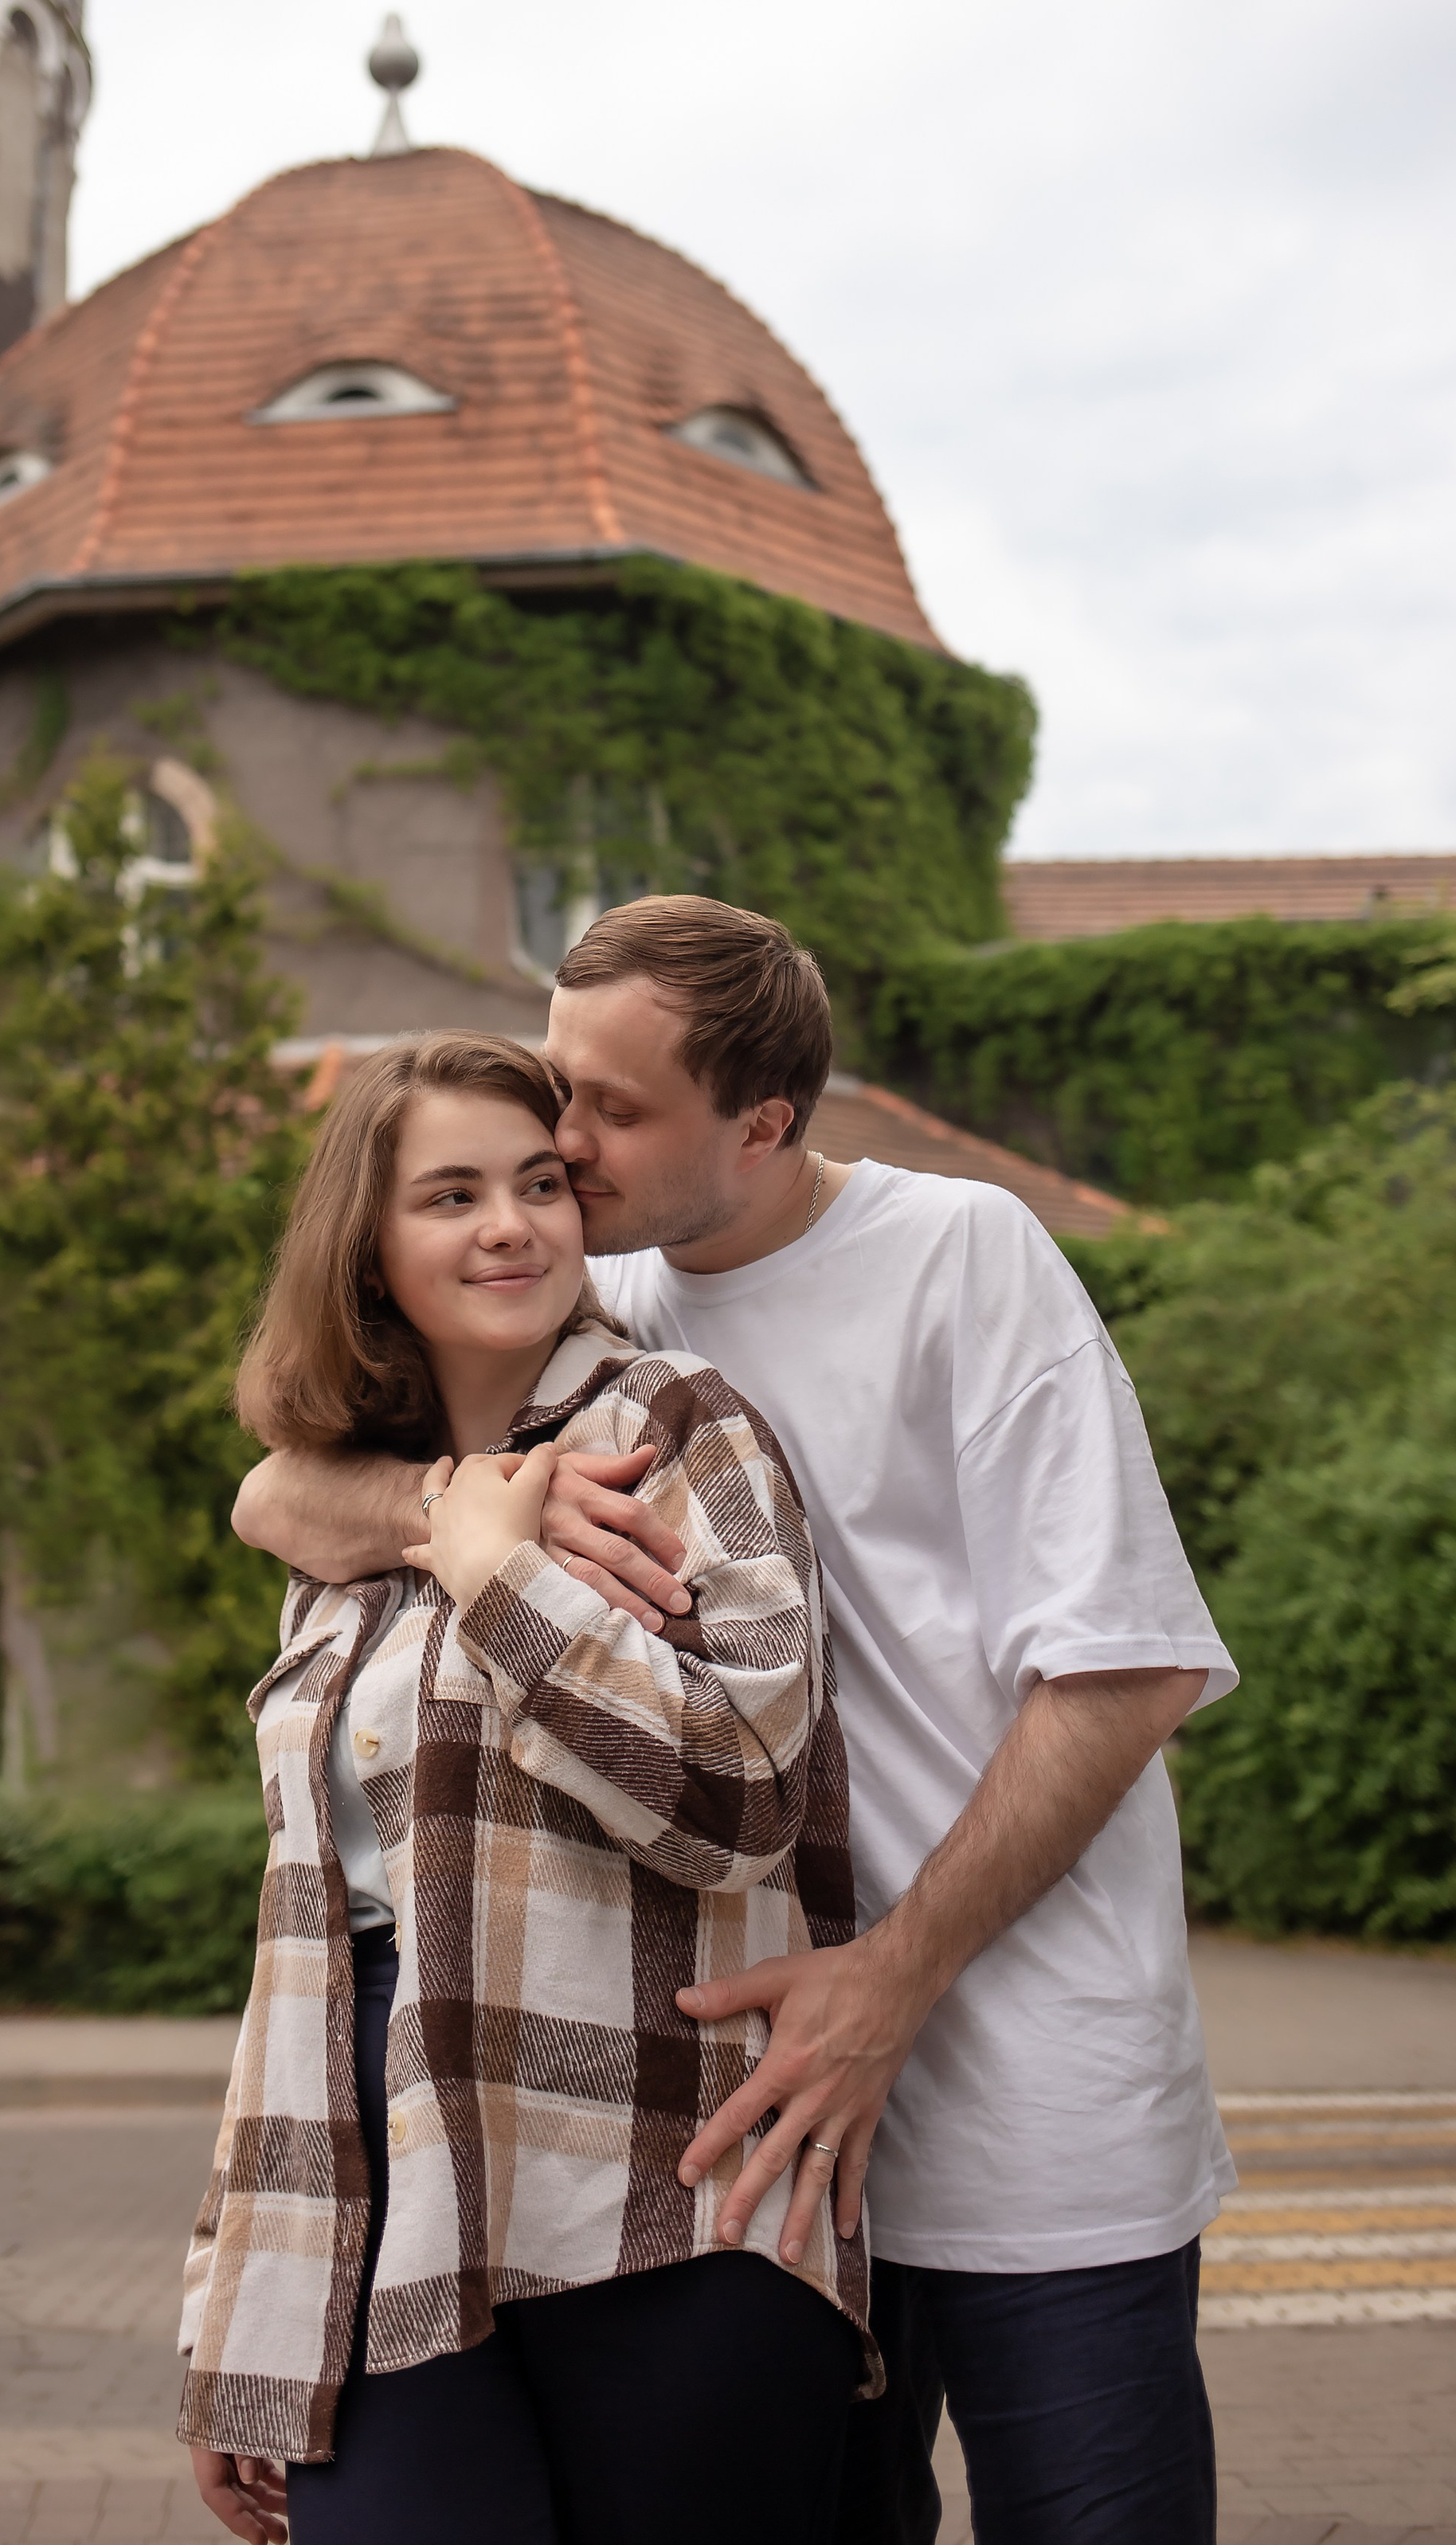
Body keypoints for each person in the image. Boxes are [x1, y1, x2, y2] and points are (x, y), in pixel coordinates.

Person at [233, 900, 1239, 2545]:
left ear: (760, 1126)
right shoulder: (595, 1287)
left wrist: (885, 1984)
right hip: (745, 2130)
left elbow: (1119, 1672)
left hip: (1019, 2083)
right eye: (557, 1084)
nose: (558, 1144)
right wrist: (458, 1512)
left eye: (609, 1110)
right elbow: (276, 1486)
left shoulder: (958, 1256)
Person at [180, 1030, 871, 2545]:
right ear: (366, 1245)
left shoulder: (680, 1429)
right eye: (450, 1194)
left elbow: (743, 1792)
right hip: (379, 2169)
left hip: (666, 2176)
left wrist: (499, 1577)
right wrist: (241, 2297)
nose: (509, 1223)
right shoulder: (344, 1504)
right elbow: (303, 1931)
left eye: (539, 1182)